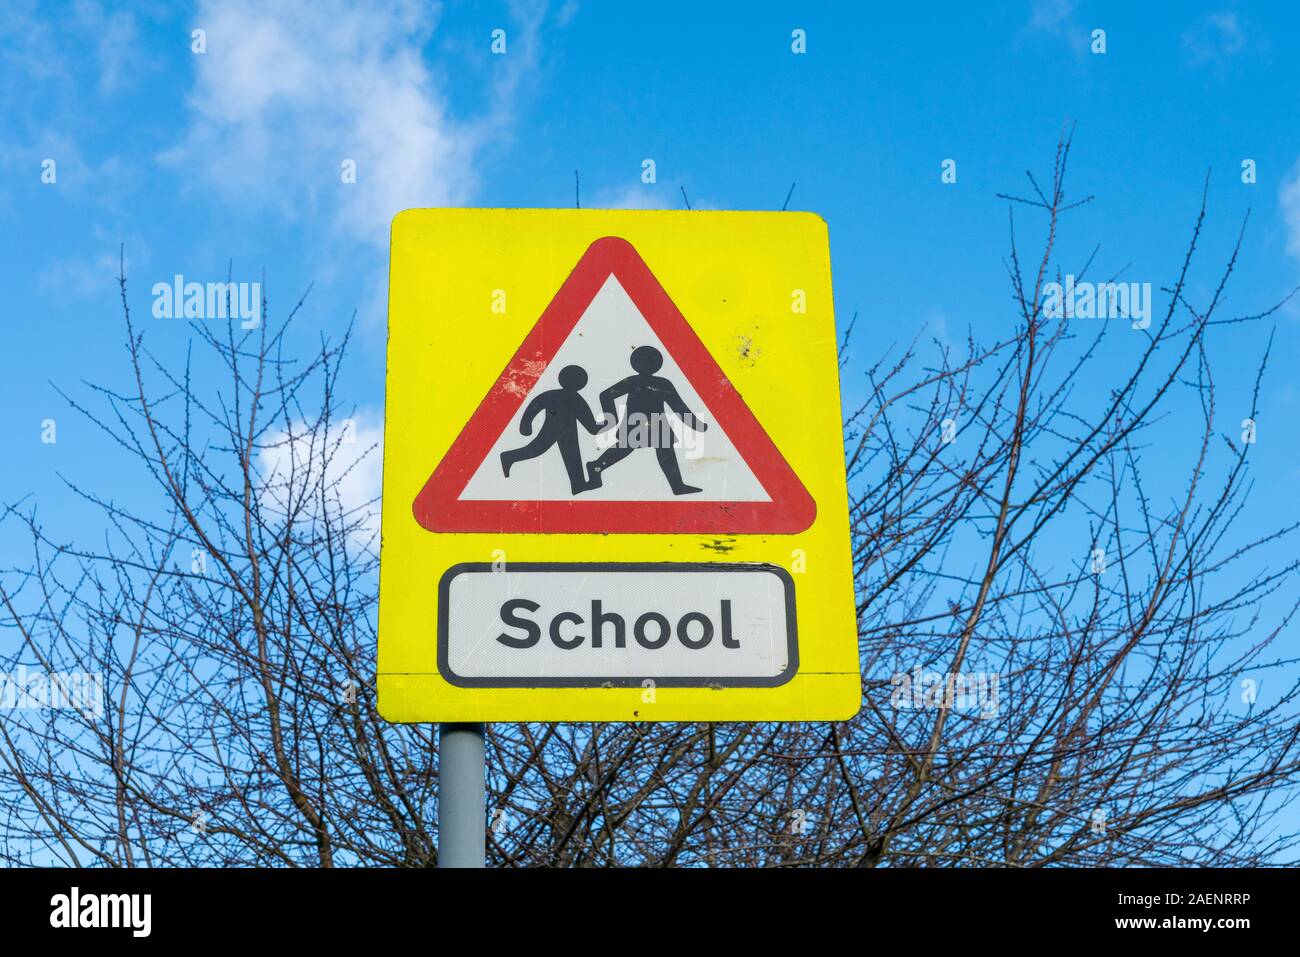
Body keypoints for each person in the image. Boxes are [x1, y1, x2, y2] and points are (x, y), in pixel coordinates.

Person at [585, 345, 708, 495]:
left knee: (662, 449)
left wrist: (696, 424)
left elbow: (678, 407)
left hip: (654, 424)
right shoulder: (650, 383)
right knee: (628, 448)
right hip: (638, 424)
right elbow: (605, 395)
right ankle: (596, 466)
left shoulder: (651, 383)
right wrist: (613, 419)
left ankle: (677, 486)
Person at [500, 365, 604, 494]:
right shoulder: (576, 399)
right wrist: (608, 424)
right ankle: (508, 457)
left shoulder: (553, 394)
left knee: (570, 456)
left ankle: (578, 484)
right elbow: (591, 427)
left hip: (566, 431)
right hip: (555, 430)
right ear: (582, 383)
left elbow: (535, 405)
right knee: (538, 450)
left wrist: (526, 426)